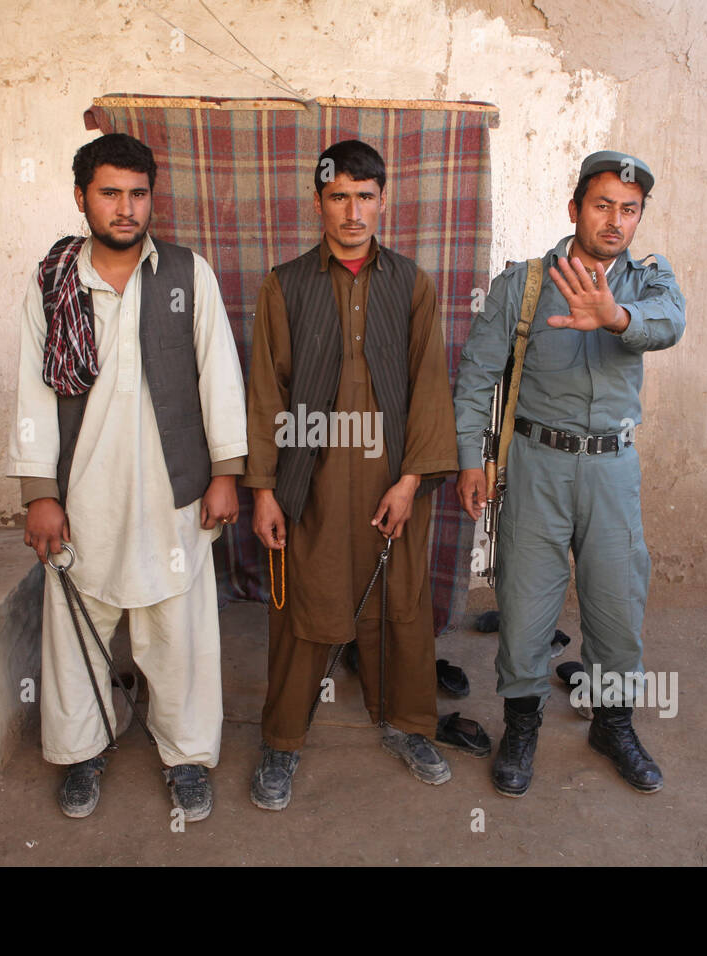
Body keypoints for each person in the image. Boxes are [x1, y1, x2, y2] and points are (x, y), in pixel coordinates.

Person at [7, 133, 247, 822]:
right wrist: (40, 494)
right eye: (110, 193)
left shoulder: (185, 274)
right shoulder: (53, 284)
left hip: (174, 488)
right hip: (83, 493)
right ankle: (84, 750)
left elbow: (220, 375)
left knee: (178, 630)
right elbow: (30, 390)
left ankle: (187, 756)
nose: (125, 207)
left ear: (152, 198)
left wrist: (226, 473)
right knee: (78, 625)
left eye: (138, 193)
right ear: (81, 196)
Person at [453, 150, 686, 797]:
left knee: (616, 604)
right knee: (525, 604)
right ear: (575, 209)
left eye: (629, 209)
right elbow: (475, 376)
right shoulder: (525, 285)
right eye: (602, 204)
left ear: (639, 217)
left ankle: (612, 725)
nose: (615, 220)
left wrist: (615, 318)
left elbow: (671, 324)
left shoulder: (648, 282)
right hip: (535, 464)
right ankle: (521, 725)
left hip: (613, 469)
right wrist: (471, 460)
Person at [243, 139, 459, 810]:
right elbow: (266, 393)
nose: (352, 211)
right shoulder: (286, 284)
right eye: (339, 196)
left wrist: (411, 481)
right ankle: (281, 741)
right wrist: (264, 490)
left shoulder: (410, 283)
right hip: (312, 475)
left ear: (383, 201)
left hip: (393, 475)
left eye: (365, 197)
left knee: (400, 600)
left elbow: (429, 384)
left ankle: (409, 725)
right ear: (318, 202)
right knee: (306, 601)